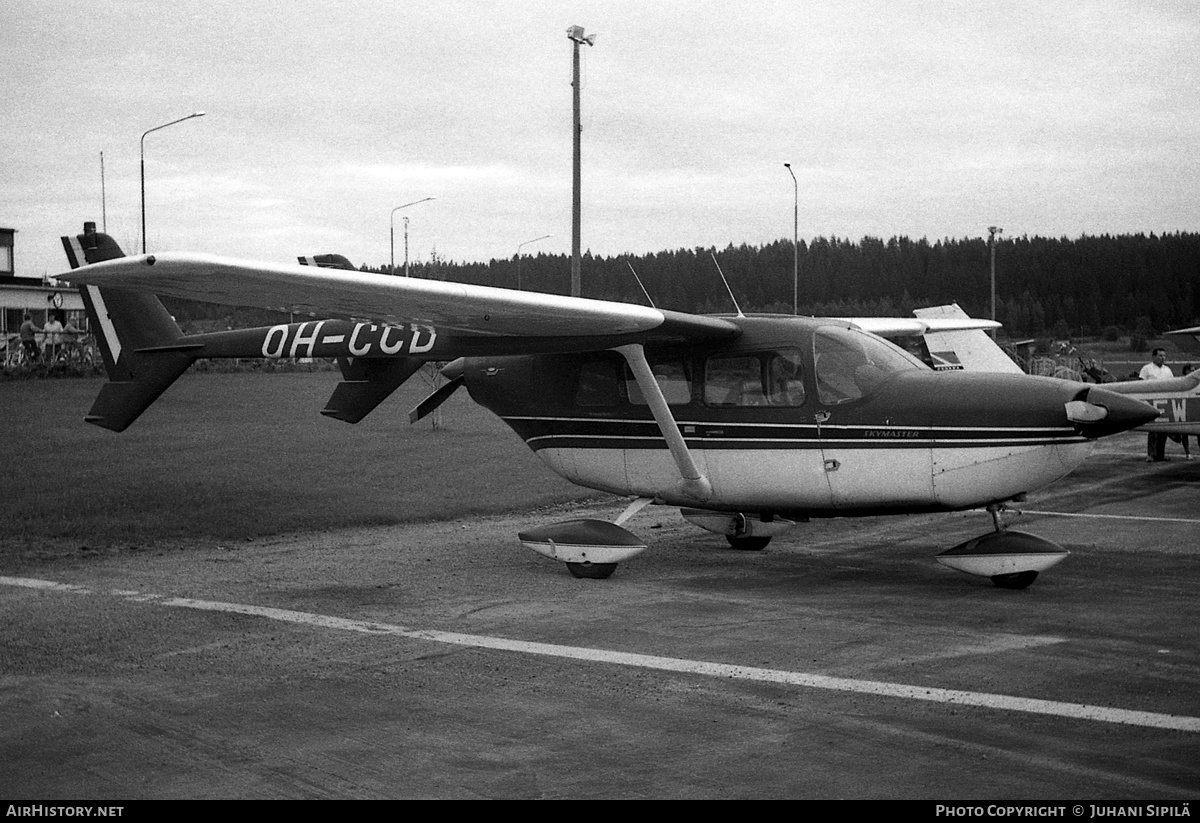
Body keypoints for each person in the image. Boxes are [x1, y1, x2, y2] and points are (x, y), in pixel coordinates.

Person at [1139, 347, 1173, 462]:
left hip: (1164, 402)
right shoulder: (1147, 369)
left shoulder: (1167, 370)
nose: (1163, 358)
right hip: (1151, 401)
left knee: (1163, 429)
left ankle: (1160, 454)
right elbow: (1141, 384)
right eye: (1160, 355)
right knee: (1153, 429)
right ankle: (1151, 454)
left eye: (1164, 356)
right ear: (1154, 357)